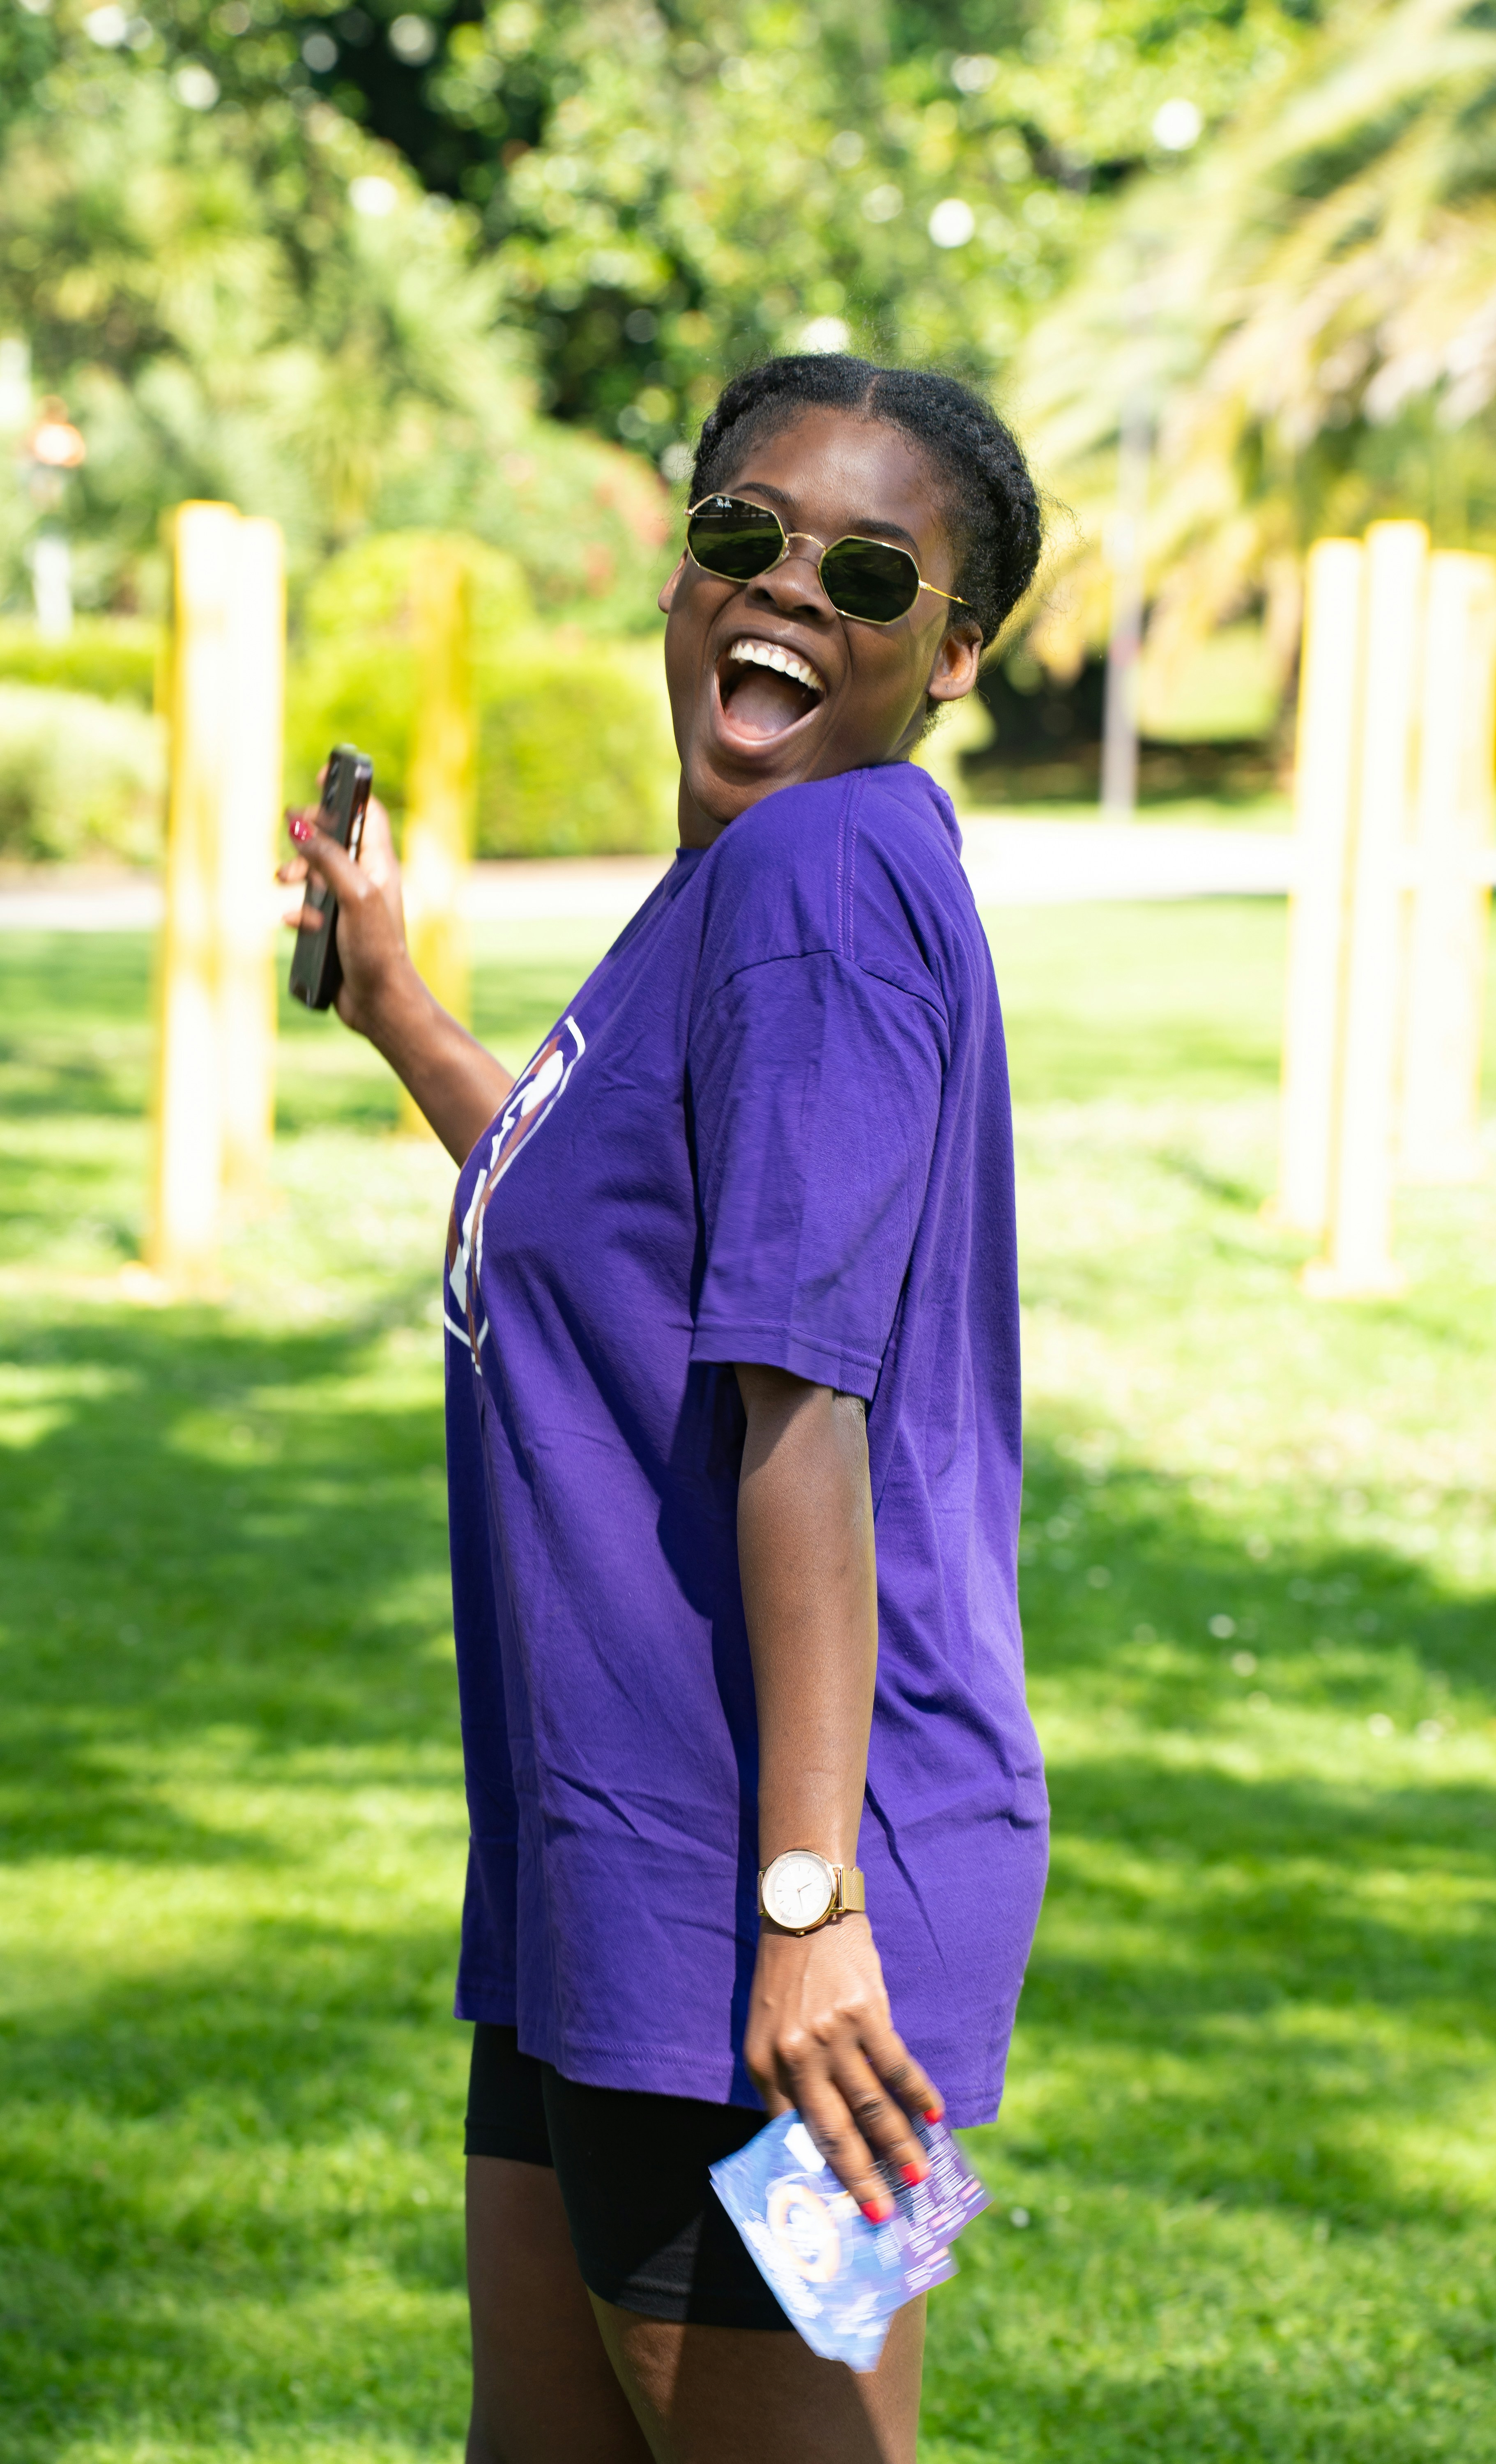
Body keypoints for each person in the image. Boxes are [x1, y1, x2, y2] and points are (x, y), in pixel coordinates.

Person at [281, 353, 1048, 2464]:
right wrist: (396, 1007)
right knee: (549, 2438)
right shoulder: (746, 886)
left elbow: (801, 1400)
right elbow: (585, 1222)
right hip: (610, 1865)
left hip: (766, 1892)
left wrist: (808, 1921)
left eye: (869, 571)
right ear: (677, 570)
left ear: (951, 650)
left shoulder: (812, 887)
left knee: (795, 2452)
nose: (788, 589)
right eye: (745, 535)